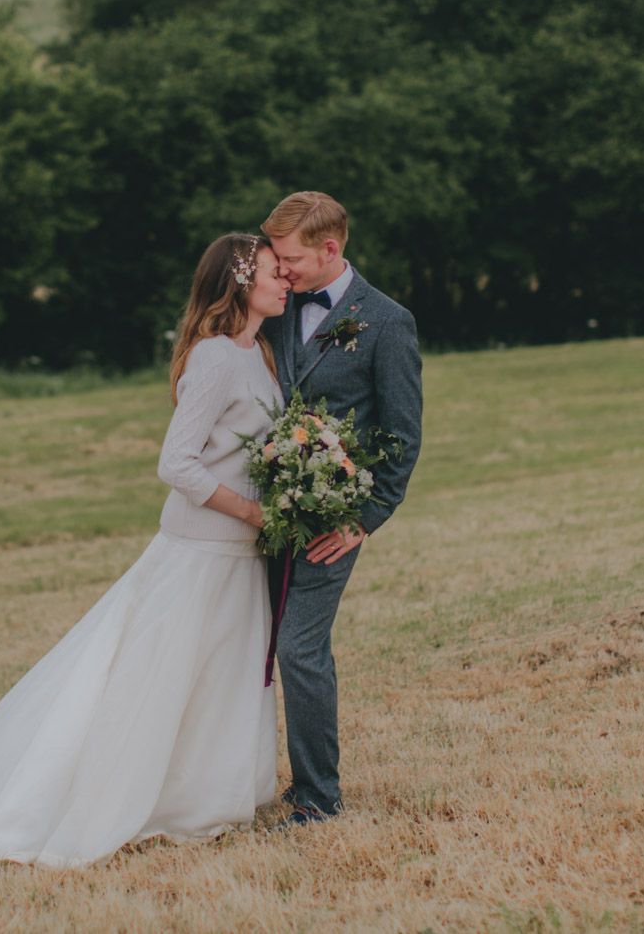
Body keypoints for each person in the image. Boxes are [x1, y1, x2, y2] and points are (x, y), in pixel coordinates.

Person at [0, 233, 291, 885]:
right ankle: (99, 800)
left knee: (220, 680)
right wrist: (249, 510)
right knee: (154, 682)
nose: (285, 279)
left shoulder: (260, 352)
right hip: (200, 550)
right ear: (240, 282)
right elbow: (173, 462)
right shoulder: (212, 358)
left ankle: (206, 799)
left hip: (242, 554)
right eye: (272, 271)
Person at [257, 191, 423, 828]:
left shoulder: (387, 321)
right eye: (276, 257)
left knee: (299, 648)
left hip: (331, 518)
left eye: (292, 258)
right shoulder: (274, 306)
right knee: (252, 646)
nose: (282, 269)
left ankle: (317, 799)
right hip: (261, 511)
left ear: (331, 249)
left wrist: (363, 519)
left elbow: (402, 435)